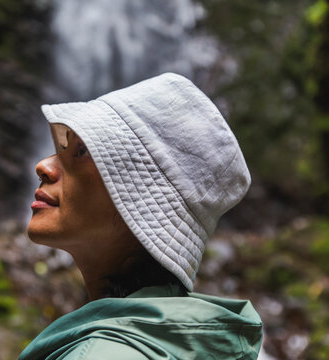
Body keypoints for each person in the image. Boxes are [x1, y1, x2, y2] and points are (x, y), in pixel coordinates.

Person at [20, 72, 263, 360]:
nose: (43, 166)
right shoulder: (186, 341)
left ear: (139, 201)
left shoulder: (103, 354)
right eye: (63, 148)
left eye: (82, 151)